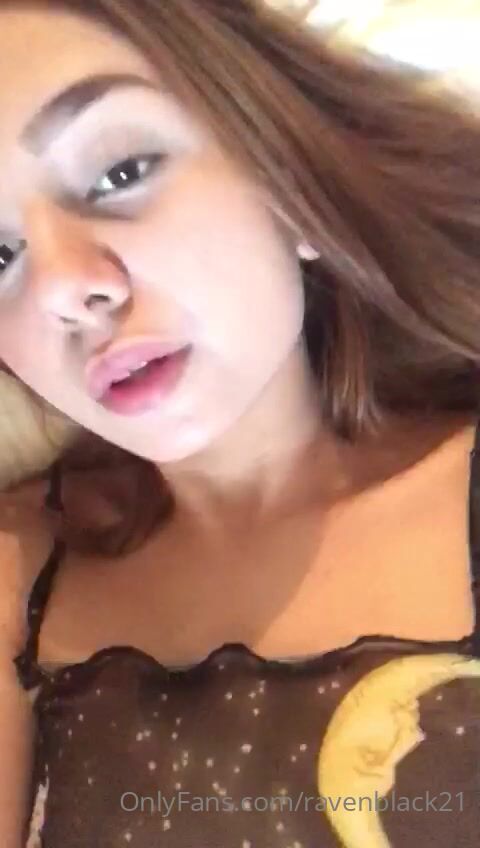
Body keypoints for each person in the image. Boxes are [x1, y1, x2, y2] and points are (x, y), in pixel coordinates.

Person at [0, 1, 479, 846]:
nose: (65, 292)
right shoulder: (17, 571)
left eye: (120, 172)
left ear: (286, 186)